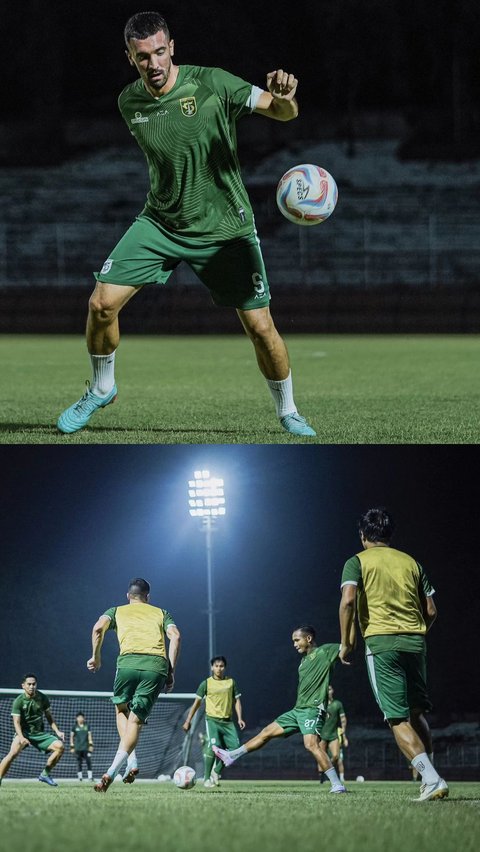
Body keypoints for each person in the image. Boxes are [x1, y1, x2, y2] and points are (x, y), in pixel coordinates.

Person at [57, 10, 316, 440]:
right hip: (160, 223)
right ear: (130, 58)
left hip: (224, 230)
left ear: (172, 47)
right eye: (143, 57)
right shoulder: (129, 103)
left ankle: (288, 411)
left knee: (260, 327)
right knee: (101, 305)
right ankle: (102, 388)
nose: (154, 64)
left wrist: (285, 97)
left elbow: (282, 112)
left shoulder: (213, 82)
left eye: (160, 52)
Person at [338, 507, 448, 802]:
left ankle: (430, 778)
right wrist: (417, 632)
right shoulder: (411, 562)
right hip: (416, 642)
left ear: (362, 535)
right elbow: (432, 610)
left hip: (381, 643)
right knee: (416, 713)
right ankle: (430, 774)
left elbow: (348, 601)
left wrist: (346, 643)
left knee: (396, 718)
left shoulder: (356, 562)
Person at [212, 627, 348, 793]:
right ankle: (231, 755)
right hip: (298, 710)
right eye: (293, 641)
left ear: (309, 638)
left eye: (297, 640)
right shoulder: (303, 662)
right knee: (267, 731)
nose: (294, 644)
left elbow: (348, 645)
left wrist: (351, 632)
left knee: (311, 744)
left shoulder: (325, 652)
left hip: (312, 709)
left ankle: (337, 785)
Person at [87, 577, 181, 793]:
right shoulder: (161, 612)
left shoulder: (115, 611)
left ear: (128, 596)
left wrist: (96, 657)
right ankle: (121, 766)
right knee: (136, 720)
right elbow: (175, 636)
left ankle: (121, 766)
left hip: (127, 664)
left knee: (121, 709)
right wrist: (171, 672)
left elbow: (98, 629)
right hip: (156, 666)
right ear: (148, 597)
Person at [182, 655, 245, 788]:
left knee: (236, 750)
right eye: (216, 666)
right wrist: (188, 721)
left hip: (228, 722)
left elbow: (237, 701)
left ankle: (216, 772)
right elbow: (196, 704)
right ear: (212, 668)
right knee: (213, 747)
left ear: (225, 667)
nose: (219, 668)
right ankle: (206, 779)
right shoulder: (206, 683)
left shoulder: (231, 682)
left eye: (221, 666)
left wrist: (239, 718)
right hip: (212, 721)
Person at [0, 674, 65, 787]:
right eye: (29, 684)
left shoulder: (42, 698)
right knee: (12, 754)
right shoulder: (18, 701)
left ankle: (45, 774)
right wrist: (21, 737)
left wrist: (57, 731)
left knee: (60, 746)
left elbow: (50, 718)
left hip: (39, 734)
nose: (31, 686)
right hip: (23, 733)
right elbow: (16, 722)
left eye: (33, 684)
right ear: (23, 686)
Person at [319, 684, 348, 783]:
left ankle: (327, 770)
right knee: (320, 755)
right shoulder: (321, 704)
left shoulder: (337, 704)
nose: (328, 691)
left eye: (330, 689)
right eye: (326, 690)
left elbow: (343, 718)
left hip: (333, 734)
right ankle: (322, 776)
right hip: (322, 735)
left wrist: (343, 731)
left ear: (333, 691)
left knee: (336, 755)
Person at [70, 712, 94, 781]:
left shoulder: (87, 726)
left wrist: (91, 745)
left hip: (86, 747)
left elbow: (89, 736)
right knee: (79, 762)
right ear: (76, 718)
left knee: (88, 761)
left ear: (84, 718)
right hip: (78, 748)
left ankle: (90, 777)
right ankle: (80, 778)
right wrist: (72, 746)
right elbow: (71, 737)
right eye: (79, 717)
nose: (80, 719)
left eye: (81, 717)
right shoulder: (74, 727)